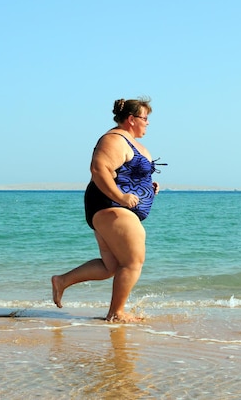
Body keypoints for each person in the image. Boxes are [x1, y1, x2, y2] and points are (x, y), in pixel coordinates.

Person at [52, 97, 162, 323]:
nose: (148, 123)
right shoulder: (114, 139)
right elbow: (99, 169)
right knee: (132, 262)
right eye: (145, 118)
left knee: (109, 266)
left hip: (113, 208)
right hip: (110, 206)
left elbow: (125, 172)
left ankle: (61, 281)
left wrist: (147, 187)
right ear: (131, 119)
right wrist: (121, 196)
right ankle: (116, 313)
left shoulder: (127, 140)